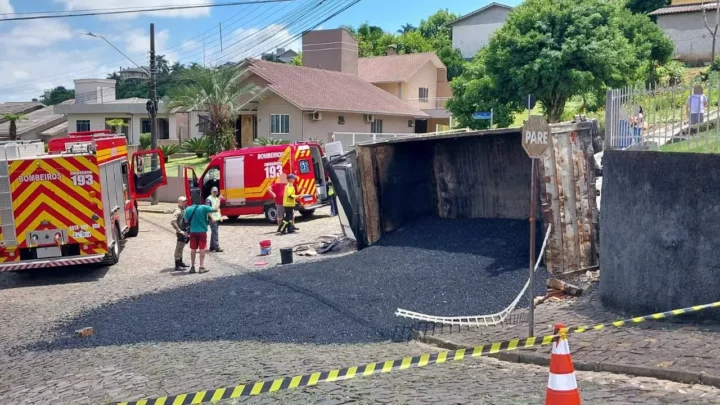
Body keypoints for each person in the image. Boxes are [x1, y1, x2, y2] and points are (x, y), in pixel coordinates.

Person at [183, 200, 218, 274]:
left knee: (193, 249)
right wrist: (220, 200)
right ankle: (201, 267)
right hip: (202, 231)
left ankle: (192, 267)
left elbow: (185, 221)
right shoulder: (204, 207)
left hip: (193, 231)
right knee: (202, 249)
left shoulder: (188, 209)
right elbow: (215, 209)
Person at [171, 196, 189, 271]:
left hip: (184, 231)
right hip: (181, 231)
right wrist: (179, 231)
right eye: (183, 201)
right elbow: (173, 222)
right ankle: (177, 264)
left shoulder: (184, 209)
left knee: (181, 247)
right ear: (179, 202)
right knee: (179, 248)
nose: (185, 202)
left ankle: (180, 262)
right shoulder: (177, 211)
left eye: (185, 201)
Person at [205, 186, 224, 252]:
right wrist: (211, 217)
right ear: (211, 191)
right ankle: (217, 247)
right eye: (214, 191)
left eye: (216, 191)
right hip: (213, 219)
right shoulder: (209, 199)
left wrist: (221, 216)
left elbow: (218, 209)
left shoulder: (216, 198)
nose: (215, 192)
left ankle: (212, 247)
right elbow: (207, 210)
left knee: (214, 233)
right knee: (215, 233)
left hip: (216, 218)